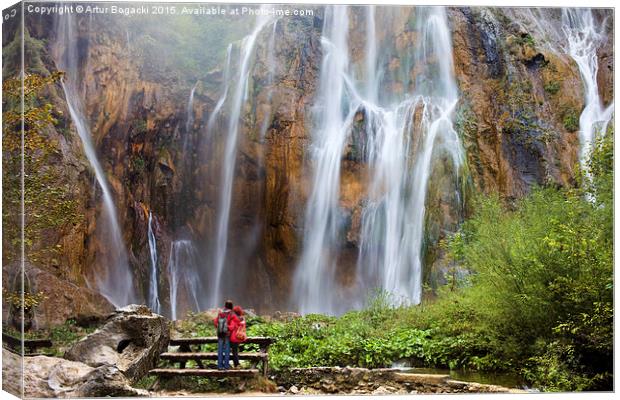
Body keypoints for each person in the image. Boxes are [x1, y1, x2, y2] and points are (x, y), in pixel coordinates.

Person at [213, 300, 239, 370]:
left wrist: (219, 328)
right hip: (227, 335)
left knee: (220, 350)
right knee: (227, 351)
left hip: (220, 334)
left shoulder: (220, 313)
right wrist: (228, 328)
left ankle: (219, 366)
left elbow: (215, 322)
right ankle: (226, 366)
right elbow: (233, 326)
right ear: (231, 306)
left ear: (225, 305)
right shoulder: (232, 314)